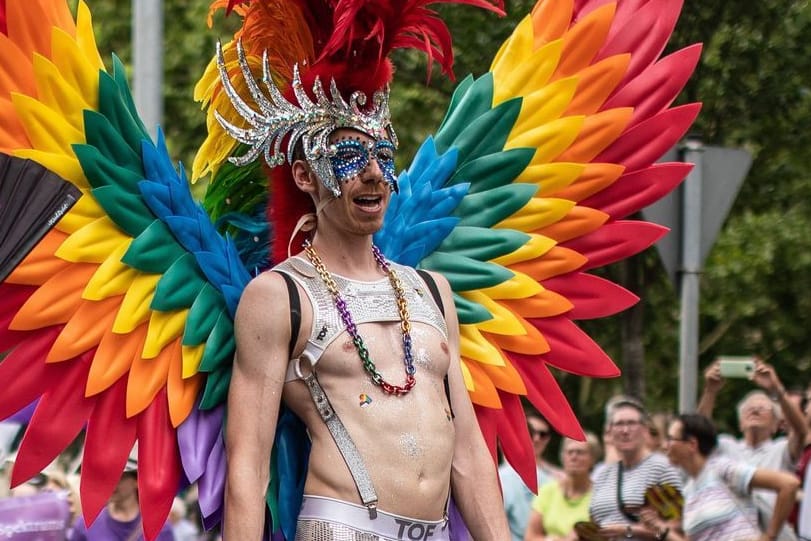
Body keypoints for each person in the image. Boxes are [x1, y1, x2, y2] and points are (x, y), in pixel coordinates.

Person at [641, 413, 800, 541]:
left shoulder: (722, 469)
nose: (664, 445)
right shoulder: (689, 491)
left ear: (692, 444)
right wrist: (660, 528)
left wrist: (769, 536)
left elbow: (788, 484)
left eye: (671, 439)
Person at [697, 359, 807, 534]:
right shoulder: (725, 445)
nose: (755, 411)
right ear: (740, 423)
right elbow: (698, 433)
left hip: (770, 533)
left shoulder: (781, 449)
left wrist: (776, 389)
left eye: (763, 408)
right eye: (749, 408)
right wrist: (710, 391)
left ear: (776, 425)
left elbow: (801, 432)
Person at [589, 398, 682, 540]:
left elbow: (677, 527)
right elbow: (594, 524)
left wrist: (627, 530)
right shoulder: (603, 475)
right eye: (619, 424)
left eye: (631, 423)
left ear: (645, 430)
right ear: (610, 431)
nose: (625, 430)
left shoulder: (661, 468)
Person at [71, 453, 175, 541]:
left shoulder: (161, 529)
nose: (110, 483)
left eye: (118, 476)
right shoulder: (86, 524)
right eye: (107, 476)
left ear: (137, 480)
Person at [524, 432, 600, 541]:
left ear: (593, 459)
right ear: (562, 457)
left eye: (580, 452)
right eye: (569, 452)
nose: (574, 457)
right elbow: (530, 537)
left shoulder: (600, 495)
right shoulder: (547, 491)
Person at [500, 411, 563, 541]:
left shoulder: (559, 478)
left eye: (543, 434)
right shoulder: (500, 475)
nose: (536, 438)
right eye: (531, 432)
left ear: (548, 439)